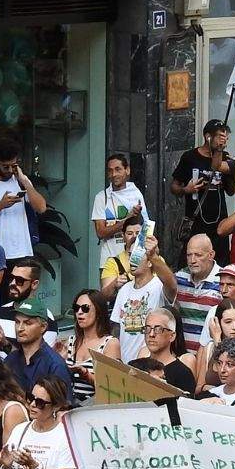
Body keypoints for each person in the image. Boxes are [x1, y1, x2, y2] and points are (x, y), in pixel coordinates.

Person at [3, 377, 77, 469]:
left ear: (55, 406)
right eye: (30, 398)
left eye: (40, 403)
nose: (32, 404)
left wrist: (33, 466)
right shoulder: (20, 430)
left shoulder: (64, 436)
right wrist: (6, 466)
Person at [172, 119, 235, 258]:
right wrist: (186, 190)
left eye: (225, 138)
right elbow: (174, 187)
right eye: (220, 138)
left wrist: (233, 173)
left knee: (220, 260)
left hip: (219, 222)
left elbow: (231, 191)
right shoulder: (190, 157)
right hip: (196, 220)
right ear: (208, 137)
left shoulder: (224, 158)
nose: (223, 142)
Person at [0, 140, 48, 261]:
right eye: (5, 167)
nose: (10, 171)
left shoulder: (20, 180)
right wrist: (0, 205)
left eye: (13, 166)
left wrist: (25, 182)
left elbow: (41, 208)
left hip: (22, 249)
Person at [92, 151, 151, 279]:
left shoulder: (136, 195)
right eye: (110, 171)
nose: (114, 174)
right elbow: (101, 233)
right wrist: (128, 219)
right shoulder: (102, 197)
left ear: (127, 170)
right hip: (109, 259)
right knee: (109, 297)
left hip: (134, 260)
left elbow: (146, 229)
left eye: (118, 169)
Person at [64, 289, 122, 406]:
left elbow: (113, 388)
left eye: (85, 308)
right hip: (68, 408)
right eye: (76, 308)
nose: (79, 312)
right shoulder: (70, 341)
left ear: (99, 311)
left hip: (94, 411)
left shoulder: (110, 343)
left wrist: (86, 374)